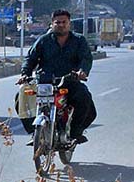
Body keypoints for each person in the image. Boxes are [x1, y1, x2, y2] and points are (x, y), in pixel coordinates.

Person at [18, 9, 95, 145]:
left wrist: (82, 72)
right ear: (52, 24)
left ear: (69, 23)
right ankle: (33, 132)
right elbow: (30, 58)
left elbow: (86, 58)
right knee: (22, 96)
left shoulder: (79, 40)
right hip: (44, 82)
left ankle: (75, 133)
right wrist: (25, 74)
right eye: (57, 22)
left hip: (69, 81)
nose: (61, 25)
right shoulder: (43, 41)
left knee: (84, 98)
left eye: (64, 22)